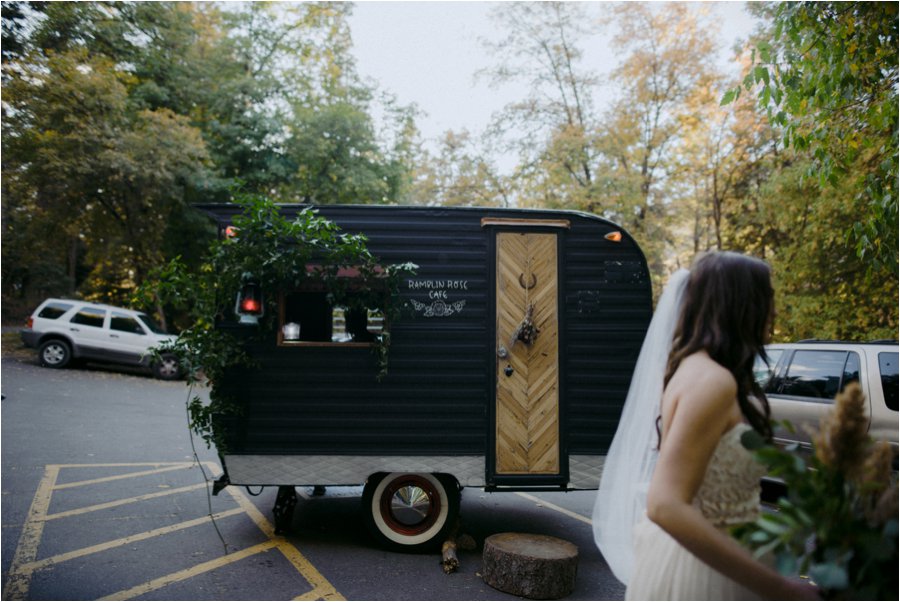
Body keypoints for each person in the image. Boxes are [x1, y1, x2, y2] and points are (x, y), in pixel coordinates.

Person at [593, 252, 819, 600]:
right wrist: (779, 587)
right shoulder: (713, 382)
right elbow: (665, 504)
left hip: (695, 557)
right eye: (767, 297)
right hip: (703, 574)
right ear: (741, 303)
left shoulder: (692, 368)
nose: (773, 311)